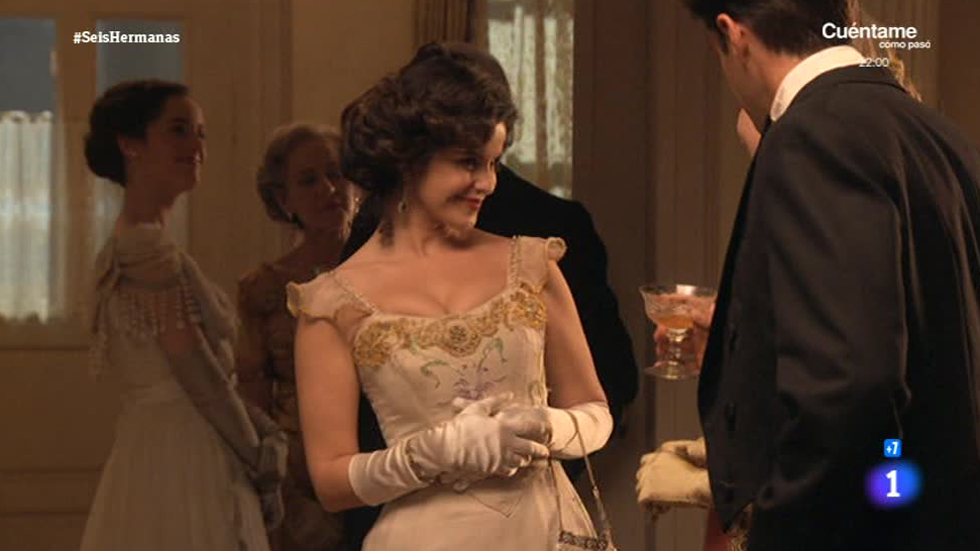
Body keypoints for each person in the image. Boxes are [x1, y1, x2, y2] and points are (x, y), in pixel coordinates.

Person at [287, 42, 614, 551]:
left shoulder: (532, 266)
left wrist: (546, 425)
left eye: (494, 162)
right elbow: (331, 482)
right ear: (408, 159)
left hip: (546, 532)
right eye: (467, 162)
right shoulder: (331, 304)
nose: (487, 182)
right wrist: (435, 452)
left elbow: (597, 413)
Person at [680, 0, 980, 548]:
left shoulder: (811, 132)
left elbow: (848, 386)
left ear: (733, 35)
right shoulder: (937, 133)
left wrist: (780, 532)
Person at [81, 80, 286, 550]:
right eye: (178, 130)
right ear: (130, 145)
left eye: (201, 133)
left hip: (165, 442)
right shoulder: (145, 251)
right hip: (182, 449)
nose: (196, 147)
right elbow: (201, 376)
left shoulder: (145, 243)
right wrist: (259, 459)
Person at [236, 123, 359, 550]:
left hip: (381, 457)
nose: (328, 189)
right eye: (308, 180)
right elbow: (254, 395)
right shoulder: (264, 288)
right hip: (300, 474)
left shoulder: (386, 271)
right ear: (284, 200)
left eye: (335, 173)